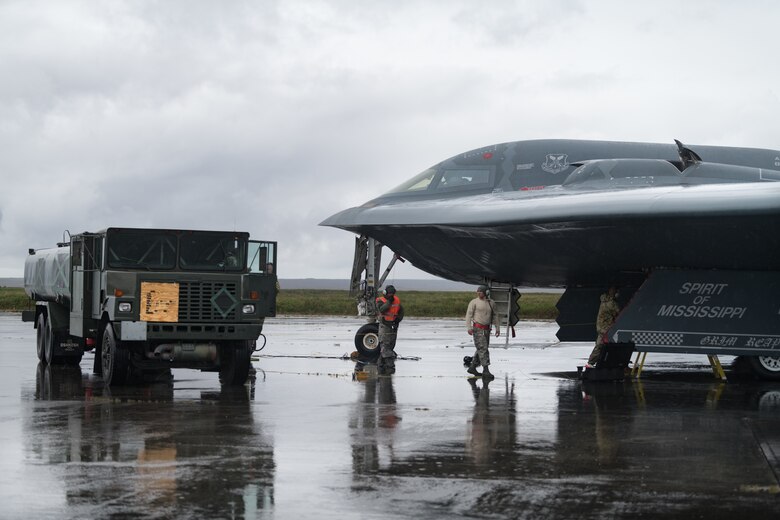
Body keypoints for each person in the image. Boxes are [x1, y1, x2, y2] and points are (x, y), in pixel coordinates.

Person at [465, 285, 500, 379]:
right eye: (478, 292)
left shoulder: (491, 303)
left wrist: (497, 328)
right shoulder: (474, 302)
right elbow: (468, 315)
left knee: (481, 348)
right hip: (478, 329)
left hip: (487, 329)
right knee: (483, 348)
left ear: (486, 293)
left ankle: (472, 367)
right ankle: (486, 370)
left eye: (480, 292)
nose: (478, 293)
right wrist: (469, 327)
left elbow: (495, 315)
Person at [586, 286, 620, 368]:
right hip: (606, 328)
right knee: (601, 345)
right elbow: (619, 313)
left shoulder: (604, 301)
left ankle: (594, 362)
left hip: (601, 326)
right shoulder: (612, 304)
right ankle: (591, 362)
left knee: (600, 345)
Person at [375, 285, 404, 375]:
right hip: (384, 325)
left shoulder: (397, 300)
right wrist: (389, 301)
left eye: (392, 294)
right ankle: (390, 365)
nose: (390, 296)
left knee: (391, 344)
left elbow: (401, 311)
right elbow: (382, 309)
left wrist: (398, 319)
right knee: (385, 344)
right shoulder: (380, 300)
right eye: (389, 294)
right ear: (385, 293)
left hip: (393, 325)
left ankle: (380, 364)